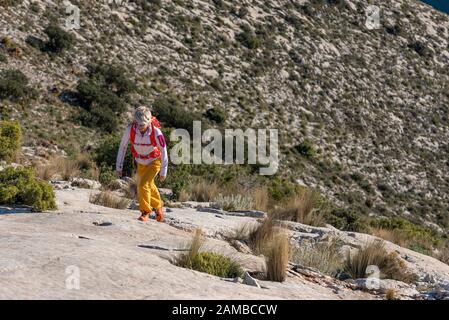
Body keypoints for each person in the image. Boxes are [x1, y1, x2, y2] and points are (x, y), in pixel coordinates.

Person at [116, 106, 168, 222]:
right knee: (149, 185)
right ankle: (158, 204)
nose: (140, 127)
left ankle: (145, 212)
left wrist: (163, 171)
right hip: (140, 162)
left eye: (143, 125)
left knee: (143, 185)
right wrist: (119, 166)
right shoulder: (130, 129)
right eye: (138, 124)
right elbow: (123, 147)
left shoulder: (156, 132)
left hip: (154, 161)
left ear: (149, 122)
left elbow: (164, 151)